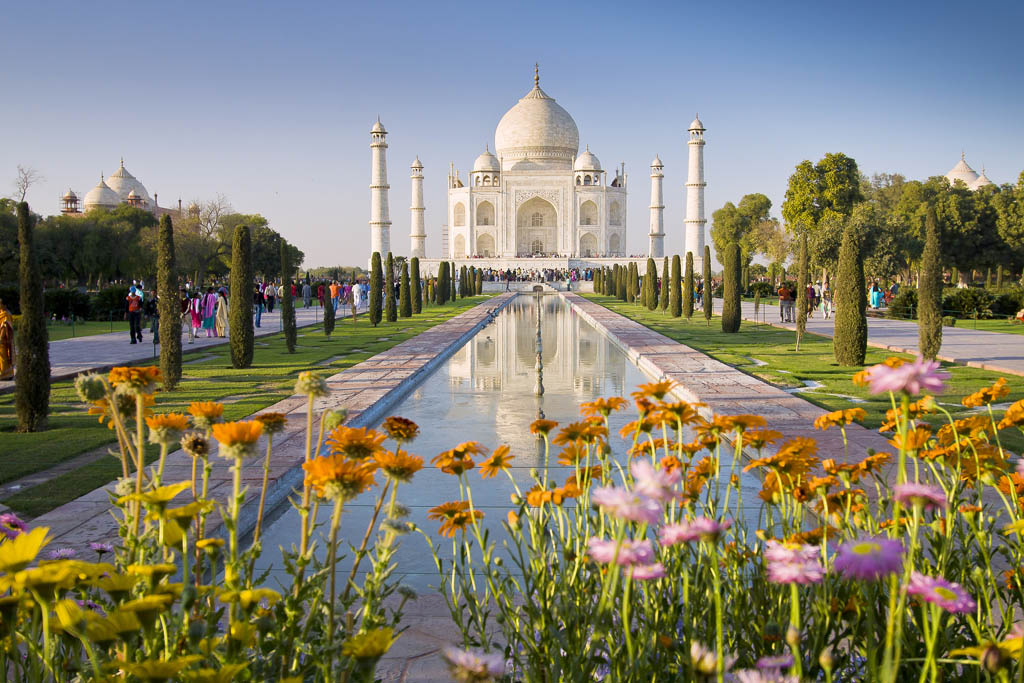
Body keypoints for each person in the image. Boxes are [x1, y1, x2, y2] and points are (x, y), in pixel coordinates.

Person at [0, 297, 14, 380]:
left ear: (4, 305)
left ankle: (5, 374)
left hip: (4, 340)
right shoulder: (1, 313)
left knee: (4, 356)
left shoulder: (6, 314)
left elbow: (5, 327)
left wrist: (1, 338)